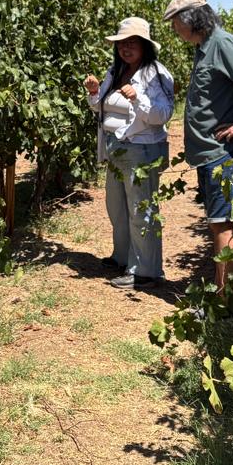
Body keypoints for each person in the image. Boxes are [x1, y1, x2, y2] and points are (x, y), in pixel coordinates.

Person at [163, 0, 233, 292]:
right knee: (217, 222)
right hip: (209, 155)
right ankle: (222, 294)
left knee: (225, 224)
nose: (174, 30)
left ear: (191, 19)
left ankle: (225, 301)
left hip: (221, 154)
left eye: (175, 23)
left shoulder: (222, 42)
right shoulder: (203, 48)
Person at [84, 17, 175, 290]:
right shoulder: (116, 69)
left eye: (132, 42)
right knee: (117, 207)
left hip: (142, 149)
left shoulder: (157, 74)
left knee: (141, 209)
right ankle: (122, 256)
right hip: (116, 149)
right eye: (122, 43)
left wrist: (138, 97)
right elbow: (101, 108)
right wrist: (93, 93)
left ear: (145, 46)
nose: (126, 47)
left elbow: (162, 114)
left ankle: (145, 270)